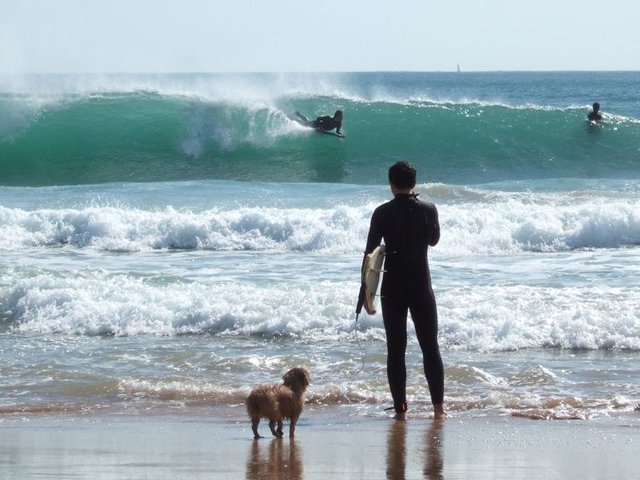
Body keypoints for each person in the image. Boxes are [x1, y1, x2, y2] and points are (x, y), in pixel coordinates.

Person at [358, 161, 447, 420]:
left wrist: (365, 294)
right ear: (414, 183)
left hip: (393, 286)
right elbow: (434, 240)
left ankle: (400, 409)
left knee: (396, 348)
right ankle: (438, 411)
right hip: (421, 285)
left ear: (391, 184)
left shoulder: (382, 212)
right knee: (430, 346)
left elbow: (370, 256)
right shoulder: (429, 209)